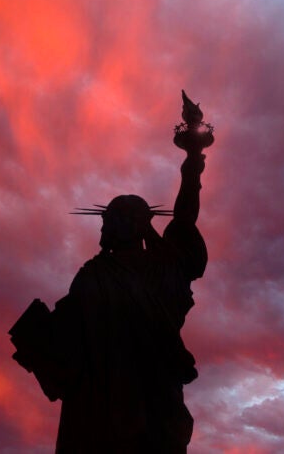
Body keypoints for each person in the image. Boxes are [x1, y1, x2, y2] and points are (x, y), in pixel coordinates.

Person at [51, 149, 207, 453]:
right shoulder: (93, 274)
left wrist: (192, 161)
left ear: (130, 224)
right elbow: (67, 337)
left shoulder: (163, 269)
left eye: (109, 220)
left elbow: (185, 220)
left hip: (149, 403)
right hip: (98, 407)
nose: (103, 227)